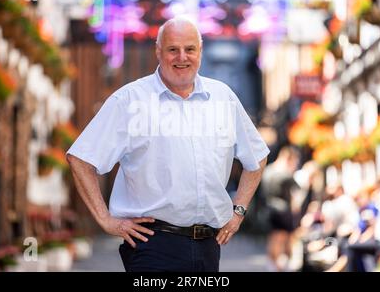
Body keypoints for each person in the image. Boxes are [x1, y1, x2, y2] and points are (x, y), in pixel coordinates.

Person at [66, 16, 270, 272]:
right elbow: (81, 158)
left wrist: (238, 211)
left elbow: (257, 157)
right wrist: (106, 220)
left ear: (201, 51)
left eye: (190, 49)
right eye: (173, 49)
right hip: (152, 245)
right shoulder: (130, 101)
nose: (181, 57)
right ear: (158, 51)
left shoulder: (223, 98)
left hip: (208, 246)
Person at [261, 145, 300, 271]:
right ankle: (278, 267)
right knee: (281, 239)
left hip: (269, 209)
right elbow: (296, 193)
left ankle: (272, 265)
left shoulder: (268, 170)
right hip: (282, 211)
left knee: (272, 238)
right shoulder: (285, 174)